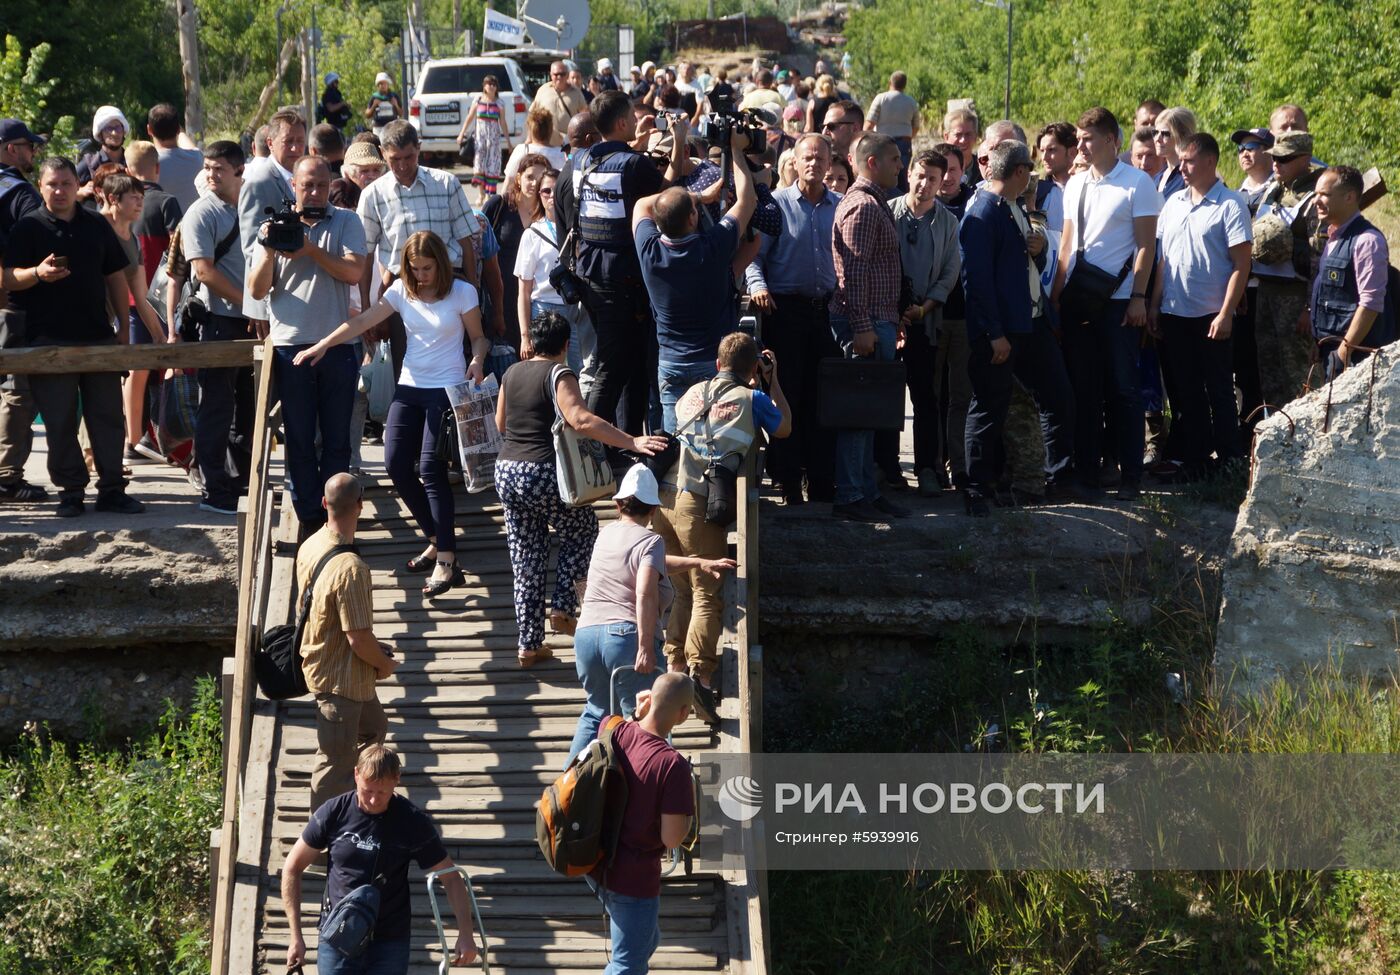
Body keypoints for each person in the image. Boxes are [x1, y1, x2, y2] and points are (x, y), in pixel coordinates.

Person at [297, 229, 487, 597]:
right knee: (395, 463)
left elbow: (478, 337)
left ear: (441, 264)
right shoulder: (401, 289)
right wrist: (322, 345)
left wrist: (477, 359)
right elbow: (363, 321)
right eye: (414, 268)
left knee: (431, 468)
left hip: (446, 388)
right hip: (410, 386)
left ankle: (446, 558)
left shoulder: (463, 292)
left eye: (427, 268)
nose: (421, 275)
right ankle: (435, 536)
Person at [494, 311, 667, 668]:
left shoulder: (511, 373)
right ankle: (561, 607)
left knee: (526, 558)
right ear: (565, 344)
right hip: (542, 471)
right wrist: (631, 441)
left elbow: (500, 423)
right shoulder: (560, 373)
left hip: (507, 471)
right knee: (582, 530)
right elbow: (580, 419)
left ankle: (528, 643)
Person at [653, 333, 788, 720]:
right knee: (707, 593)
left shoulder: (690, 394)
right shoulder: (752, 398)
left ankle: (675, 669)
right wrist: (771, 379)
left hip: (665, 499)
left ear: (716, 363)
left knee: (681, 590)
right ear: (752, 371)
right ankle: (701, 677)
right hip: (698, 505)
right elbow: (785, 428)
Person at [1, 157, 142, 517]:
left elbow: (115, 276)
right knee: (60, 421)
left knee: (108, 417)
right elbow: (7, 278)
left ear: (75, 187)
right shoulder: (28, 228)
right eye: (53, 185)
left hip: (97, 338)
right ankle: (71, 492)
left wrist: (123, 330)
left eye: (66, 183)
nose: (60, 191)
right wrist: (37, 272)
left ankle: (112, 489)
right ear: (42, 187)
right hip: (48, 342)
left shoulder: (95, 224)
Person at [567, 463, 730, 759]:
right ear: (654, 510)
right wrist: (645, 646)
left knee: (595, 712)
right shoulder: (651, 540)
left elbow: (652, 562)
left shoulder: (605, 535)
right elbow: (644, 590)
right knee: (646, 717)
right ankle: (651, 787)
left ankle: (569, 792)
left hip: (587, 635)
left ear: (618, 505)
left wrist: (696, 562)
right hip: (624, 637)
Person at [282, 745, 478, 974]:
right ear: (356, 775)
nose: (374, 800)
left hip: (389, 940)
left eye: (382, 793)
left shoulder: (411, 821)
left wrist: (466, 934)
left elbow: (451, 878)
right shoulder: (333, 812)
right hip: (338, 934)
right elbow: (292, 868)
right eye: (367, 791)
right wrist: (296, 936)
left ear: (397, 779)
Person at [249, 155, 369, 529]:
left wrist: (310, 250)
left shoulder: (347, 220)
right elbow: (256, 289)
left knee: (337, 440)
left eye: (320, 184)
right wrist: (270, 248)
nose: (314, 192)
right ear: (293, 188)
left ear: (329, 183)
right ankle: (309, 518)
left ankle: (337, 517)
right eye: (306, 186)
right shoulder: (272, 226)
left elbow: (353, 273)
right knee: (299, 438)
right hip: (290, 346)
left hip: (336, 346)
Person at [959, 141, 1077, 515]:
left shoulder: (1014, 208)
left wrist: (1039, 248)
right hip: (1001, 330)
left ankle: (1055, 476)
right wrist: (995, 334)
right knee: (988, 406)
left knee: (1058, 396)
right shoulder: (982, 213)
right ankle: (977, 487)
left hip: (1031, 321)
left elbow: (1022, 263)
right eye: (1030, 171)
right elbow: (976, 281)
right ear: (1021, 172)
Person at [1053, 107, 1161, 501]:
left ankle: (1131, 475)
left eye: (1088, 138)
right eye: (1079, 138)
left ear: (1111, 140)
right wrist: (1056, 297)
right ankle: (1088, 474)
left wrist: (1138, 297)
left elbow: (1147, 245)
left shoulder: (1137, 183)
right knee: (1084, 390)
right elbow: (1066, 244)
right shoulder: (1077, 185)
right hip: (1080, 298)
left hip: (1119, 301)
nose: (1080, 145)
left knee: (1124, 390)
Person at [569, 91, 674, 444]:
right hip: (623, 282)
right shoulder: (635, 166)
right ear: (623, 123)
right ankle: (590, 448)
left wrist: (637, 147)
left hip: (591, 277)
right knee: (613, 367)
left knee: (622, 364)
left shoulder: (581, 161)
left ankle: (622, 442)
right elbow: (667, 198)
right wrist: (680, 144)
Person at [636, 125, 756, 433]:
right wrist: (738, 150)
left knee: (676, 439)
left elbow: (642, 206)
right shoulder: (712, 246)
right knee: (712, 441)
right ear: (693, 218)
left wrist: (695, 196)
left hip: (670, 363)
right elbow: (747, 200)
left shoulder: (650, 251)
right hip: (712, 362)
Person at [1148, 132, 1251, 478]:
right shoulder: (1173, 203)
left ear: (1210, 161)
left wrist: (1226, 313)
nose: (1183, 167)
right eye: (1181, 160)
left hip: (1211, 315)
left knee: (1220, 391)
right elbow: (1163, 261)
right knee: (1185, 391)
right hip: (1175, 313)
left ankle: (1231, 463)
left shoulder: (1230, 204)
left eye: (1189, 161)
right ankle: (1195, 461)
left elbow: (1241, 264)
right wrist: (1154, 305)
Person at [294, 472, 398, 809]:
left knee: (374, 729)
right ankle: (320, 838)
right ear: (360, 506)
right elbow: (358, 639)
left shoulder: (311, 544)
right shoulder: (352, 568)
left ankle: (359, 802)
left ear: (324, 504)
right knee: (334, 763)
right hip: (338, 682)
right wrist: (383, 664)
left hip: (337, 668)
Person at [583, 672, 697, 975]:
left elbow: (619, 730)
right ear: (683, 714)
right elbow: (672, 839)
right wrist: (691, 810)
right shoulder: (672, 765)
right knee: (627, 966)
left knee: (645, 940)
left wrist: (636, 714)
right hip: (632, 879)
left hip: (596, 863)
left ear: (649, 700)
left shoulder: (615, 729)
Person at [357, 120, 481, 376]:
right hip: (402, 290)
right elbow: (366, 256)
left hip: (449, 284)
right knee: (407, 367)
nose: (402, 166)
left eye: (409, 157)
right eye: (395, 159)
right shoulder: (372, 195)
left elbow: (466, 243)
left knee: (457, 363)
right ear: (383, 154)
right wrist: (367, 310)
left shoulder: (446, 183)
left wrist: (473, 291)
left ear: (419, 149)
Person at [829, 132, 907, 522]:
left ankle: (866, 491)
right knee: (859, 413)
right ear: (872, 162)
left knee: (870, 413)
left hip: (878, 320)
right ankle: (850, 495)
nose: (901, 165)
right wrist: (862, 326)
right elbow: (853, 272)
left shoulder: (873, 203)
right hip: (866, 322)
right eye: (894, 159)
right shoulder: (862, 206)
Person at [177, 140, 253, 515]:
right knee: (217, 407)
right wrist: (249, 304)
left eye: (218, 168)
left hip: (254, 320)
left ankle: (237, 481)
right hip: (220, 320)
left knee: (248, 408)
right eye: (207, 167)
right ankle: (212, 484)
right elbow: (204, 271)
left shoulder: (253, 207)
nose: (210, 175)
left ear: (239, 170)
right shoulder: (201, 213)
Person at [891, 149, 961, 497]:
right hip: (888, 319)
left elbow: (949, 273)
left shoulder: (948, 223)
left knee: (926, 397)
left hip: (925, 320)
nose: (925, 183)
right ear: (909, 175)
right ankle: (886, 467)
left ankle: (927, 468)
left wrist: (923, 308)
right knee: (885, 394)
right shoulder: (889, 212)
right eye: (920, 175)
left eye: (933, 178)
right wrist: (896, 310)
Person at [1252, 130, 1323, 409]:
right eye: (1274, 158)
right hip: (1266, 291)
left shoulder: (1316, 195)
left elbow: (1318, 257)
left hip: (1295, 296)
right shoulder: (1273, 189)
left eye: (1285, 159)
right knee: (1269, 369)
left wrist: (1309, 306)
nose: (1276, 164)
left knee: (1299, 374)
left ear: (1305, 159)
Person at [98, 172, 165, 460]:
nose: (140, 204)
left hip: (107, 324)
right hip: (80, 319)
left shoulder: (134, 239)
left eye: (142, 198)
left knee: (104, 394)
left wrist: (161, 336)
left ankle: (107, 460)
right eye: (134, 199)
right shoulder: (94, 228)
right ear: (113, 199)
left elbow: (141, 294)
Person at [0, 118, 48, 505]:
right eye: (29, 146)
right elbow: (40, 241)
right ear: (11, 149)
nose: (33, 152)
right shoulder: (20, 193)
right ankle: (7, 477)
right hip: (11, 303)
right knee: (17, 391)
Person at [1308, 165, 1393, 377]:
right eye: (1315, 194)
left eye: (1324, 195)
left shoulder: (1368, 241)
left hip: (1355, 358)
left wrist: (1343, 353)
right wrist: (1317, 342)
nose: (1315, 201)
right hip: (1332, 351)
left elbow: (1370, 303)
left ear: (1349, 197)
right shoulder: (1333, 237)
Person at [515, 164, 592, 374]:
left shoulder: (579, 228)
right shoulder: (531, 234)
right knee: (546, 372)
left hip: (577, 307)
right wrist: (525, 337)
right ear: (538, 195)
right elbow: (524, 291)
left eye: (556, 190)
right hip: (544, 309)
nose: (551, 196)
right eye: (546, 191)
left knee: (581, 370)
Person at [930, 141, 974, 492]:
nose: (945, 178)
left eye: (953, 170)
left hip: (962, 315)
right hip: (926, 317)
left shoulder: (975, 204)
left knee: (960, 395)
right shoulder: (919, 207)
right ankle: (931, 466)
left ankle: (958, 466)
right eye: (939, 170)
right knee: (930, 396)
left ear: (963, 170)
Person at [237, 109, 305, 336]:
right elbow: (251, 248)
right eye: (288, 141)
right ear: (270, 143)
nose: (296, 148)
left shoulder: (305, 177)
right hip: (271, 303)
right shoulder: (259, 182)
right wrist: (259, 306)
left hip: (302, 299)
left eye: (300, 141)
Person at [457, 75, 511, 197]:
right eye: (489, 84)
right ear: (484, 86)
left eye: (494, 84)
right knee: (479, 165)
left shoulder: (499, 103)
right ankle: (481, 194)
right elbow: (470, 117)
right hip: (479, 139)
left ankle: (489, 194)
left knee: (492, 165)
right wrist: (462, 134)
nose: (491, 86)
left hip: (493, 140)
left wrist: (508, 141)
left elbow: (502, 122)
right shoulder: (478, 100)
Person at [145, 103, 203, 214]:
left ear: (149, 130)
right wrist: (179, 131)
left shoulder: (149, 165)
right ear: (177, 129)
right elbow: (188, 144)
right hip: (194, 226)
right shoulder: (197, 158)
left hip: (164, 229)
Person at [865, 71, 921, 178]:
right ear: (905, 85)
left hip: (883, 142)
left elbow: (869, 124)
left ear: (890, 82)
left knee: (883, 176)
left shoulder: (881, 98)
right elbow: (916, 126)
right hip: (904, 142)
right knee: (901, 176)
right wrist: (909, 137)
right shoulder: (911, 102)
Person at [503, 105, 567, 186]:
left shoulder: (522, 150)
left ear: (530, 130)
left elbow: (509, 180)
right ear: (550, 130)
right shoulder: (561, 153)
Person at [76, 106, 128, 200]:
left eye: (118, 127)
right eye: (109, 128)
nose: (114, 133)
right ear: (100, 134)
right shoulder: (89, 164)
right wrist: (81, 192)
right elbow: (66, 192)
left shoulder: (131, 160)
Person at [1035, 121, 1076, 233]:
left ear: (1072, 152)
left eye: (1051, 150)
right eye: (1042, 151)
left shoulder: (1088, 189)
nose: (1044, 157)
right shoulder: (1037, 192)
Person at [534, 61, 589, 145]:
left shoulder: (576, 93)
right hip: (546, 145)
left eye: (562, 74)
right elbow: (533, 115)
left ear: (567, 75)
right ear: (551, 75)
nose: (559, 77)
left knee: (570, 158)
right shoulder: (543, 90)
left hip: (568, 145)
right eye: (556, 74)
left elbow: (585, 117)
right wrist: (530, 139)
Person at [1152, 107, 1197, 200]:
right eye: (1155, 133)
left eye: (1165, 134)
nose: (1157, 139)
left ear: (1183, 136)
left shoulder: (1192, 176)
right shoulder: (1158, 177)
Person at [941, 106, 980, 186]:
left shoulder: (983, 169)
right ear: (946, 136)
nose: (963, 140)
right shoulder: (935, 168)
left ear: (975, 137)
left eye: (968, 134)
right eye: (958, 134)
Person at [821, 101, 864, 167]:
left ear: (855, 128)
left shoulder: (870, 166)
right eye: (823, 127)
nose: (824, 132)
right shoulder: (820, 167)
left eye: (831, 126)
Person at [366, 72, 403, 138]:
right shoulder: (374, 97)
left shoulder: (394, 96)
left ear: (388, 84)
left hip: (392, 127)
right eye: (380, 83)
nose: (382, 85)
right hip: (378, 128)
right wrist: (374, 105)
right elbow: (367, 114)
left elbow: (401, 113)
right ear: (377, 85)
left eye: (384, 83)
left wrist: (396, 105)